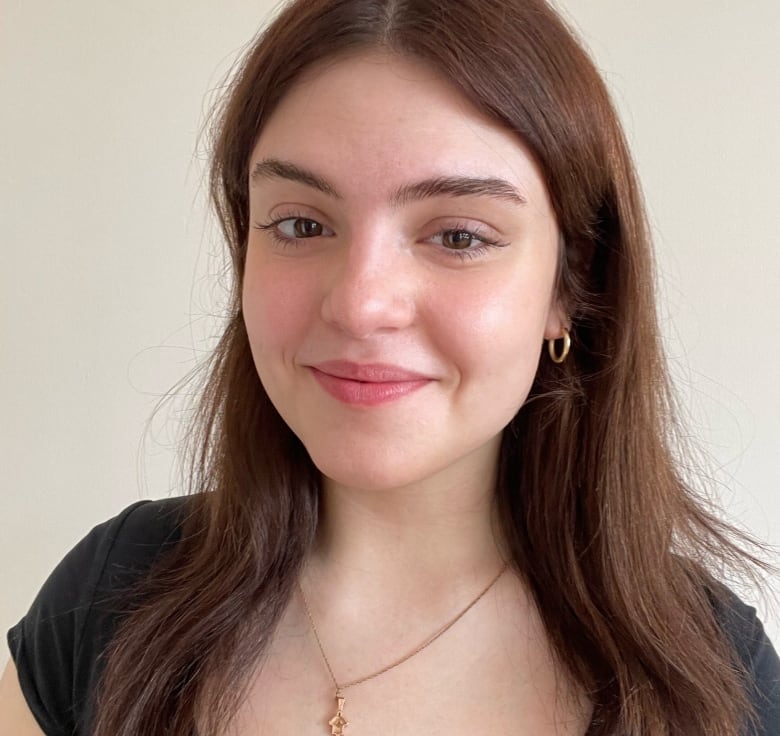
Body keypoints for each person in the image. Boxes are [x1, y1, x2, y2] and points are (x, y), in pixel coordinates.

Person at [1, 0, 778, 734]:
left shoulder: (710, 675)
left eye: (460, 236)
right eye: (301, 223)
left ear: (570, 286)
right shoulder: (111, 598)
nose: (360, 303)